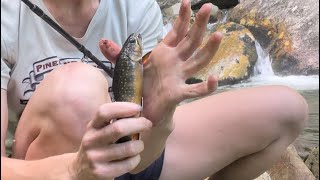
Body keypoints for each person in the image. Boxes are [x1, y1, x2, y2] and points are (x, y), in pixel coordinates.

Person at [1, 0, 308, 179]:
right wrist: (72, 169)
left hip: (129, 156)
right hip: (52, 168)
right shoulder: (7, 14)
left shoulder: (136, 7)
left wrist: (157, 119)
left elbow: (142, 155)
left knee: (285, 109)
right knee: (78, 92)